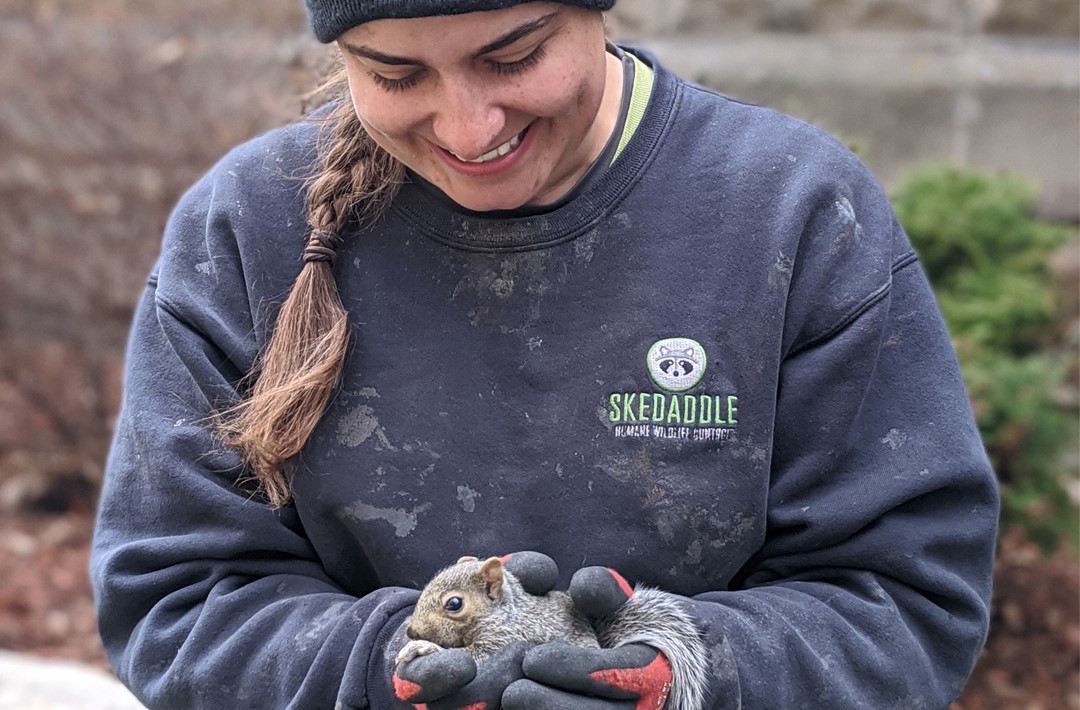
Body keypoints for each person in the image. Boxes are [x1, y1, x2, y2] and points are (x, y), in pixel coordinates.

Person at [90, 0, 1000, 708]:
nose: (468, 127)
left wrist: (688, 669)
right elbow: (176, 593)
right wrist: (392, 670)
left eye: (514, 56)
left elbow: (905, 600)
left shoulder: (789, 210)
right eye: (396, 74)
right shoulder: (248, 229)